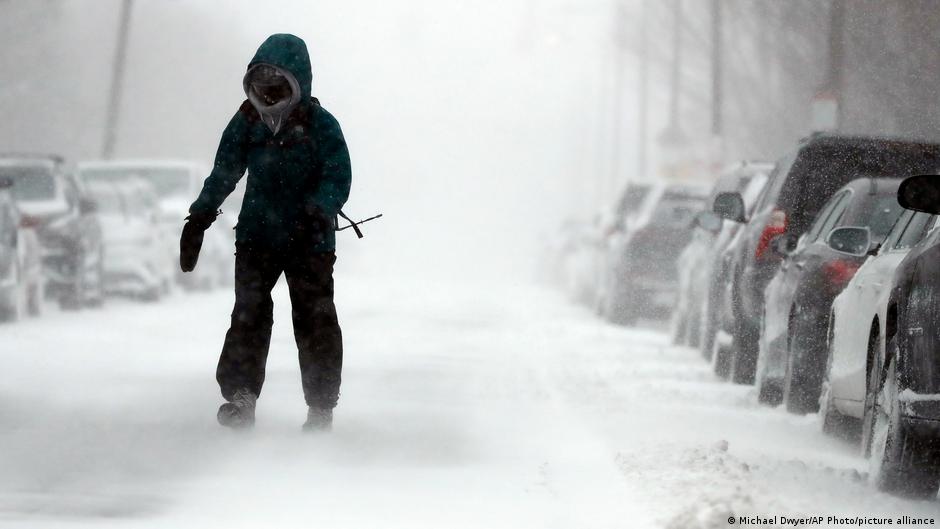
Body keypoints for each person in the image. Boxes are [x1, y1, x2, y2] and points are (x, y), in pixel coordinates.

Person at [181, 33, 351, 431]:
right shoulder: (246, 121)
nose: (267, 91)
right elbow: (225, 170)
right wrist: (200, 217)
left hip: (310, 240)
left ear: (298, 83)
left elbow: (338, 175)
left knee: (315, 319)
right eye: (260, 82)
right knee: (249, 314)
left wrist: (320, 209)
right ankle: (241, 396)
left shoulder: (320, 124)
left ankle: (321, 406)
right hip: (258, 235)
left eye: (277, 82)